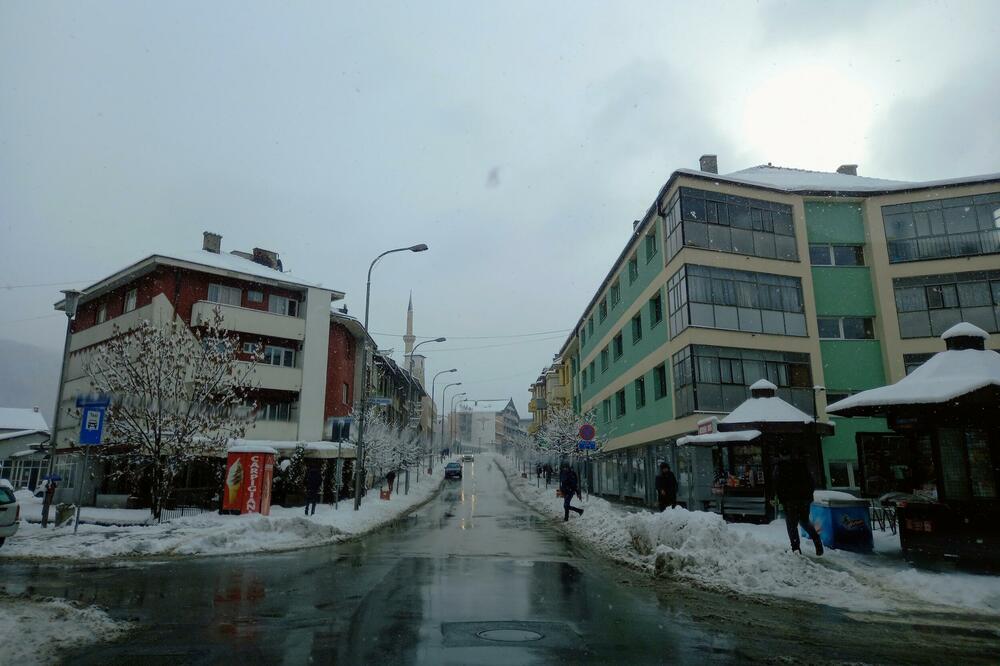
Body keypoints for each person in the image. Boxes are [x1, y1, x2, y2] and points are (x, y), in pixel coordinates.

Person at [773, 456, 823, 556]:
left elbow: (777, 484)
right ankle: (817, 541)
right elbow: (811, 482)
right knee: (804, 521)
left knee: (792, 525)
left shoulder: (780, 468)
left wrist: (782, 499)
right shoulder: (801, 465)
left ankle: (796, 550)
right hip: (805, 499)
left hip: (791, 499)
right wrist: (808, 496)